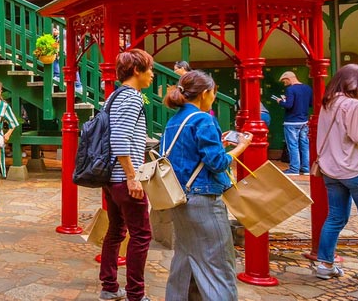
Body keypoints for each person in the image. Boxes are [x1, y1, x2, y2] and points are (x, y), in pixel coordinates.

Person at [161, 70, 252, 301]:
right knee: (218, 265)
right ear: (205, 93)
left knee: (185, 261)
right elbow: (217, 162)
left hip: (179, 199)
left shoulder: (174, 121)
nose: (213, 98)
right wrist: (241, 146)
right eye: (213, 93)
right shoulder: (204, 119)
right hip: (204, 200)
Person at [313, 63, 358, 283]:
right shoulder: (353, 105)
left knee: (335, 218)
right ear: (352, 80)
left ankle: (325, 264)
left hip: (331, 171)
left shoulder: (328, 103)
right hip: (356, 170)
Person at [99, 49, 154, 301]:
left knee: (116, 230)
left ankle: (109, 287)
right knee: (141, 235)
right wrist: (132, 176)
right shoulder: (132, 98)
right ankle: (136, 294)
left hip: (111, 177)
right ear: (136, 70)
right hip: (124, 178)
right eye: (149, 69)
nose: (152, 75)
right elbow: (120, 139)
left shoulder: (112, 97)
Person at [277, 70, 313, 175]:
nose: (284, 84)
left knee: (293, 145)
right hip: (304, 121)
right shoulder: (307, 88)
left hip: (291, 122)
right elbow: (311, 103)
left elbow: (289, 105)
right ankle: (306, 168)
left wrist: (281, 101)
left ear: (288, 78)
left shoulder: (290, 89)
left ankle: (294, 169)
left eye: (284, 81)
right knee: (304, 145)